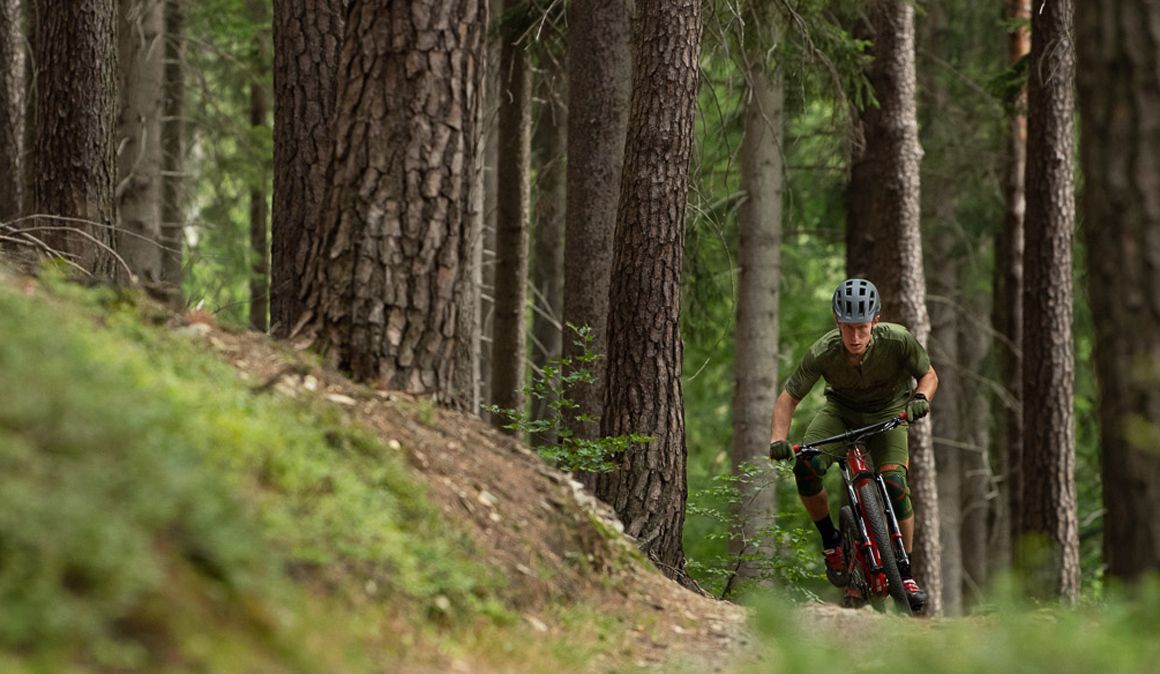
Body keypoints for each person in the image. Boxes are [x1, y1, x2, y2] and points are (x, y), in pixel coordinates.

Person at [768, 278, 937, 611]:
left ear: (875, 320)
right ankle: (832, 543)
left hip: (889, 414)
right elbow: (787, 399)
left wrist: (920, 398)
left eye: (862, 327)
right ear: (837, 322)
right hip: (841, 413)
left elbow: (929, 375)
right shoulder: (823, 351)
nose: (856, 337)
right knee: (806, 467)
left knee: (895, 483)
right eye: (848, 329)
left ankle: (905, 571)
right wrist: (777, 439)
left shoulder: (898, 340)